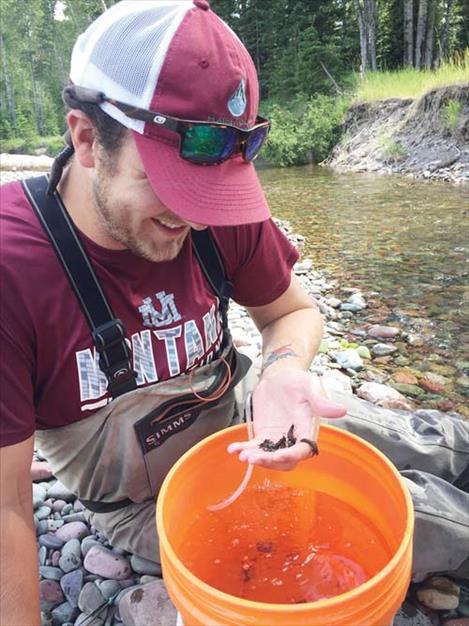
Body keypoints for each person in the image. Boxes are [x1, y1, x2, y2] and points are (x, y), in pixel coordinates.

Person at [0, 2, 467, 625]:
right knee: (426, 517)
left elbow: (291, 313)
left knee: (428, 442)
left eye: (212, 194)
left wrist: (280, 371)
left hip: (251, 409)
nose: (196, 217)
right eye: (171, 186)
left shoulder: (221, 210)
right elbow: (5, 508)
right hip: (155, 501)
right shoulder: (13, 268)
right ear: (86, 138)